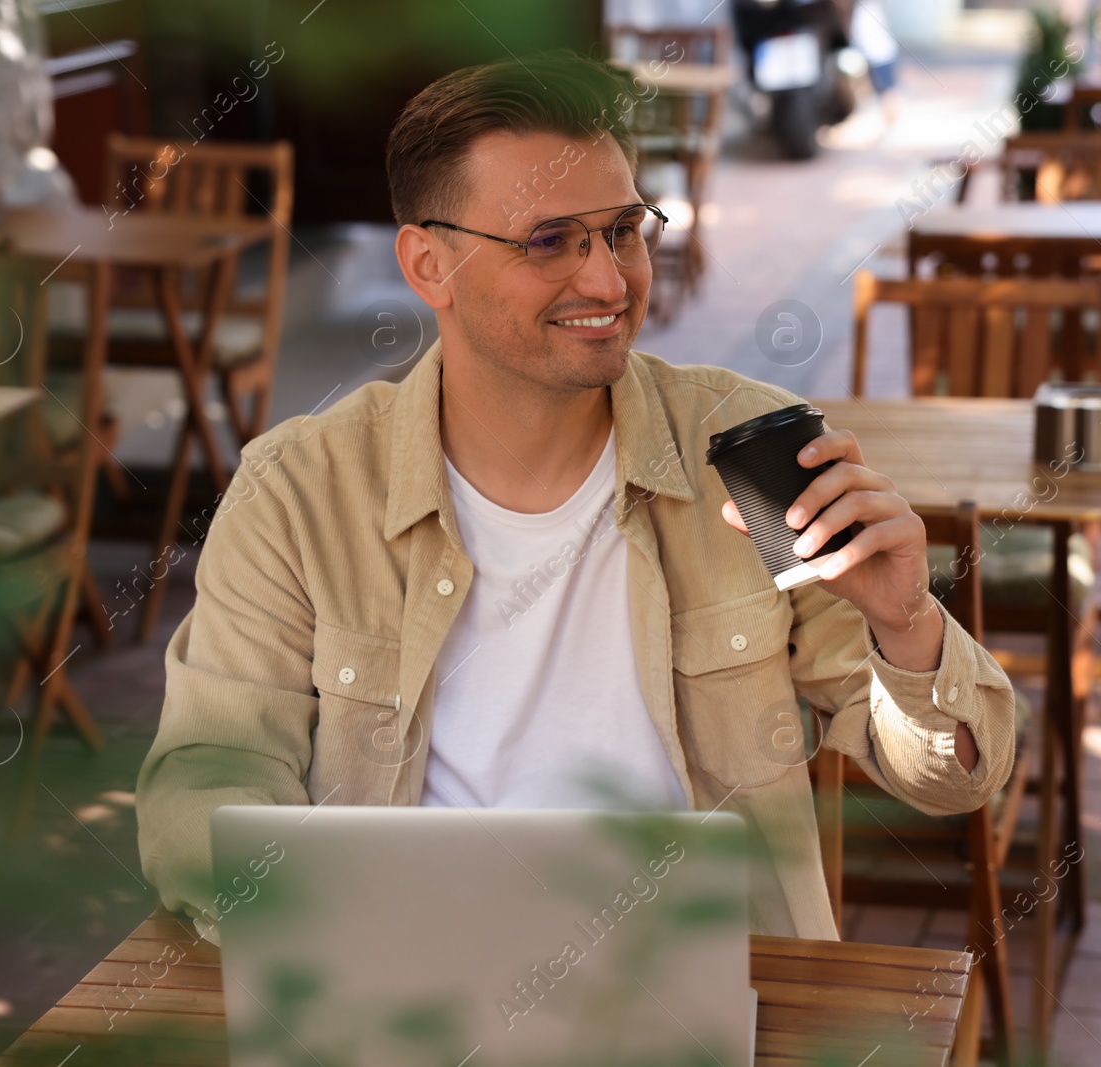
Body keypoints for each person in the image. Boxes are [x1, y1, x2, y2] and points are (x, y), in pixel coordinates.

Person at [135, 52, 1015, 944]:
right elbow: (208, 774)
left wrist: (907, 627)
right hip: (408, 981)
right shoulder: (300, 493)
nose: (608, 282)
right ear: (428, 264)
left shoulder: (743, 454)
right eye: (550, 241)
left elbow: (953, 779)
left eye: (624, 231)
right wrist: (328, 933)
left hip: (698, 981)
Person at [852, 0, 900, 125]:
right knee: (884, 89)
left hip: (879, 56)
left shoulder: (866, 11)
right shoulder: (867, 10)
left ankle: (890, 120)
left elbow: (862, 37)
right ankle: (888, 119)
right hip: (880, 55)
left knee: (886, 90)